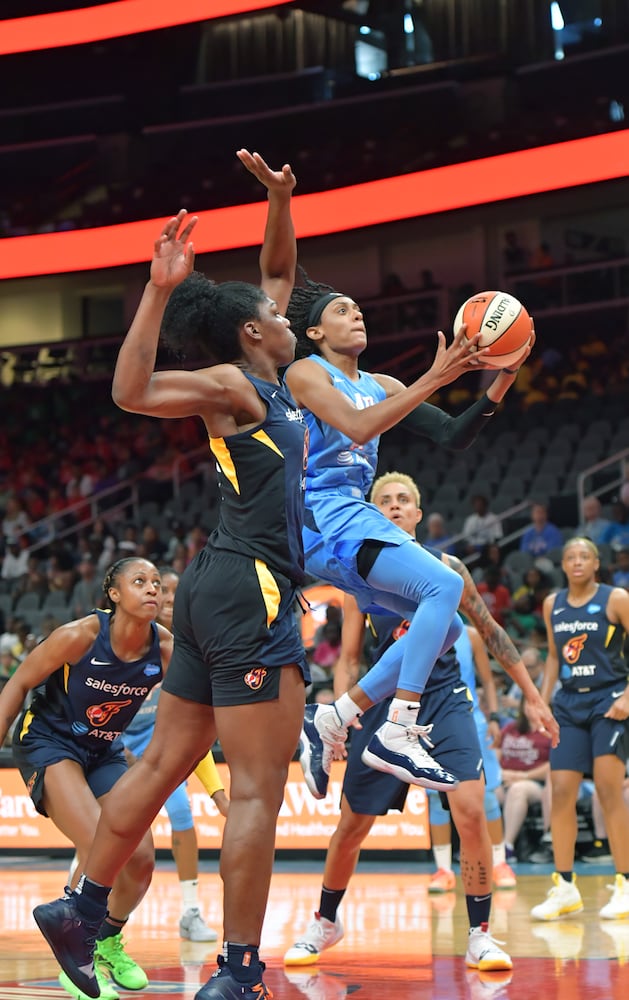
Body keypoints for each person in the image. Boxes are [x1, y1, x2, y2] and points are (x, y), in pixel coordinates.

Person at [33, 149, 308, 1000]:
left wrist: (279, 200)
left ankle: (79, 906)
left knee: (162, 765)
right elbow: (130, 390)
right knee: (258, 790)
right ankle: (235, 971)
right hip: (250, 587)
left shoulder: (271, 373)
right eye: (272, 310)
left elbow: (277, 269)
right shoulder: (234, 383)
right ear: (253, 330)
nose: (285, 307)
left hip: (210, 583)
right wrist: (157, 290)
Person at [285, 472, 558, 973]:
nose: (392, 507)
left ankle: (479, 935)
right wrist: (345, 720)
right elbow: (348, 658)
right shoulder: (356, 573)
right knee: (351, 827)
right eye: (382, 501)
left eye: (402, 500)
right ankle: (325, 922)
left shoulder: (446, 567)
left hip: (445, 699)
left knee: (471, 811)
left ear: (417, 513)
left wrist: (534, 696)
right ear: (371, 514)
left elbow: (491, 630)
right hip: (383, 700)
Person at [286, 270, 533, 796]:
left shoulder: (384, 385)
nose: (356, 314)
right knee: (445, 586)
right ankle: (398, 725)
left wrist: (506, 373)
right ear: (315, 333)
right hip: (320, 514)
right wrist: (436, 377)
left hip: (346, 523)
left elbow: (453, 435)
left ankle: (334, 716)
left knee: (444, 627)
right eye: (342, 309)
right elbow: (357, 427)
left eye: (358, 308)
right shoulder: (305, 373)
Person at [0, 557, 172, 1000]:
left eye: (156, 582)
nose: (152, 588)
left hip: (103, 749)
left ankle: (107, 939)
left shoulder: (166, 649)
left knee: (142, 857)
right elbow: (17, 684)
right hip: (49, 740)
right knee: (101, 842)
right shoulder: (79, 636)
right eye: (139, 581)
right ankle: (76, 960)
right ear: (113, 594)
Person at [121, 566, 229, 943]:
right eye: (160, 589)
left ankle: (190, 910)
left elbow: (194, 736)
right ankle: (83, 898)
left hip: (157, 739)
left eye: (173, 591)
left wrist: (217, 793)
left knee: (181, 812)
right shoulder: (131, 637)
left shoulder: (189, 649)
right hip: (113, 741)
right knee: (106, 826)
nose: (167, 597)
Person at [530, 537, 629, 921]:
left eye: (584, 556)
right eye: (570, 556)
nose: (576, 562)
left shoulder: (616, 598)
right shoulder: (552, 605)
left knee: (608, 789)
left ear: (596, 563)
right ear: (563, 564)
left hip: (609, 701)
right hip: (569, 704)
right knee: (561, 793)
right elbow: (554, 658)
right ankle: (565, 887)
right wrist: (540, 700)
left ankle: (623, 883)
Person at [427, 622, 517, 893]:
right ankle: (443, 870)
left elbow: (487, 680)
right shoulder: (417, 625)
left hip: (471, 719)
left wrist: (495, 717)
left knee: (487, 793)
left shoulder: (471, 635)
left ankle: (500, 863)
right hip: (430, 721)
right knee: (435, 796)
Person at [496, 700, 552, 863]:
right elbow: (494, 756)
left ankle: (507, 846)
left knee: (518, 790)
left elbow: (554, 765)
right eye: (527, 703)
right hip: (505, 779)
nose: (531, 708)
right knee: (485, 791)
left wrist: (523, 776)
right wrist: (500, 774)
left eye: (535, 703)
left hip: (536, 783)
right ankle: (482, 844)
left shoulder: (550, 730)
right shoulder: (510, 728)